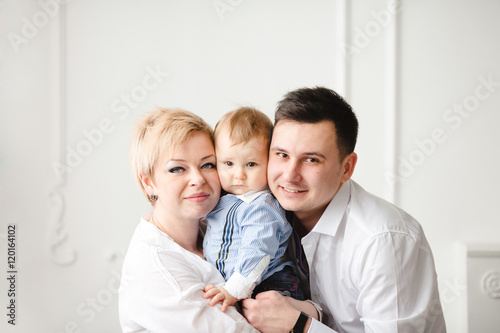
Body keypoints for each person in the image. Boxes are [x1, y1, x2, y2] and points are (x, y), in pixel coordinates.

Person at [242, 87, 447, 333]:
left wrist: (299, 325)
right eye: (282, 155)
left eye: (311, 159)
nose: (290, 175)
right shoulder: (260, 213)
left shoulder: (383, 240)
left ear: (347, 168)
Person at [119, 107, 259, 332]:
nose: (198, 179)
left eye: (207, 164)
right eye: (177, 169)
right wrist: (300, 323)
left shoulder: (217, 229)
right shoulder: (157, 269)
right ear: (148, 182)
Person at [202, 107, 306, 312]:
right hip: (239, 286)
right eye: (228, 163)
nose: (239, 174)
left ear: (269, 162)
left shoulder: (261, 207)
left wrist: (234, 289)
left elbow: (258, 251)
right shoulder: (225, 201)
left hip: (270, 285)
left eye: (251, 164)